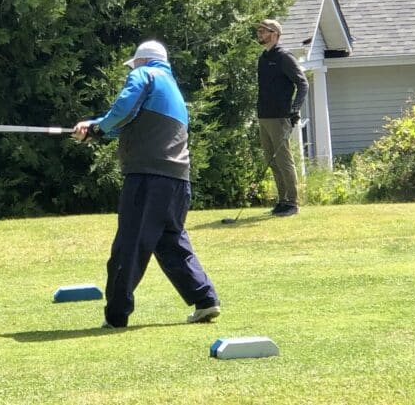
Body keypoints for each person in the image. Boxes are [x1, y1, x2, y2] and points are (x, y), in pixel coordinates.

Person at [73, 40, 220, 328]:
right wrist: (97, 130)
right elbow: (131, 123)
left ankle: (116, 314)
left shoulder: (144, 75)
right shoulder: (173, 91)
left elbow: (123, 110)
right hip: (178, 180)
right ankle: (204, 300)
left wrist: (97, 127)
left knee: (129, 244)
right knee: (170, 241)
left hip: (147, 177)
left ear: (141, 61)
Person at [256, 19, 309, 217]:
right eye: (259, 30)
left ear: (275, 34)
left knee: (284, 160)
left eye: (264, 30)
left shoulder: (284, 57)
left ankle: (292, 203)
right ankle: (282, 200)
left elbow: (303, 84)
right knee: (272, 160)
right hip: (264, 116)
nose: (260, 33)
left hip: (280, 116)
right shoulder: (263, 58)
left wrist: (295, 109)